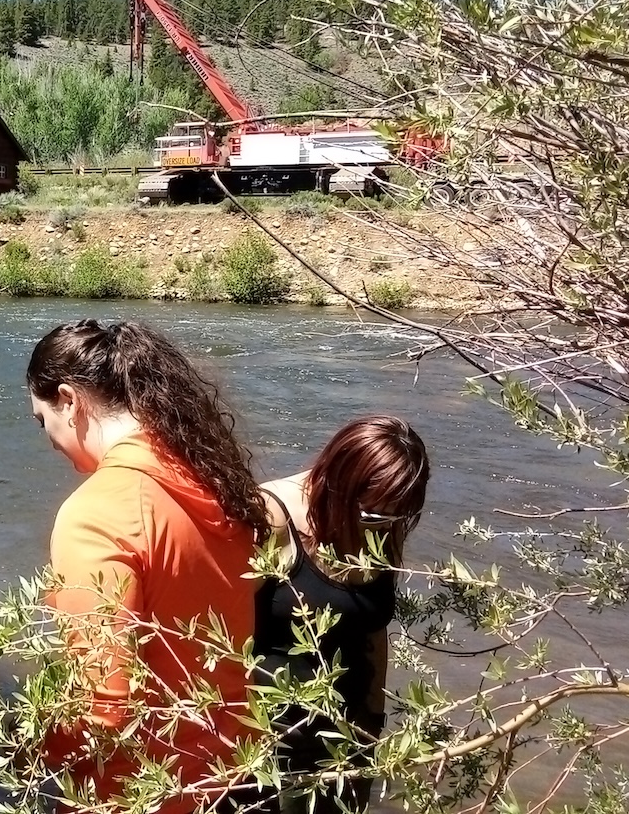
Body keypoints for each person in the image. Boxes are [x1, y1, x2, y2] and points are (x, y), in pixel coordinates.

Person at [26, 319, 267, 813]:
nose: (47, 437)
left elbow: (101, 708)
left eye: (40, 418)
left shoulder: (97, 514)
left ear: (69, 402)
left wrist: (30, 747)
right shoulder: (216, 485)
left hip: (138, 792)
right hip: (226, 781)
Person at [254, 415, 431, 814]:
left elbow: (372, 628)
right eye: (371, 515)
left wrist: (373, 723)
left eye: (396, 517)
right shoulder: (270, 517)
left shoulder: (385, 522)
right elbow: (223, 627)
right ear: (337, 483)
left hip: (346, 741)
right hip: (271, 737)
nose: (380, 526)